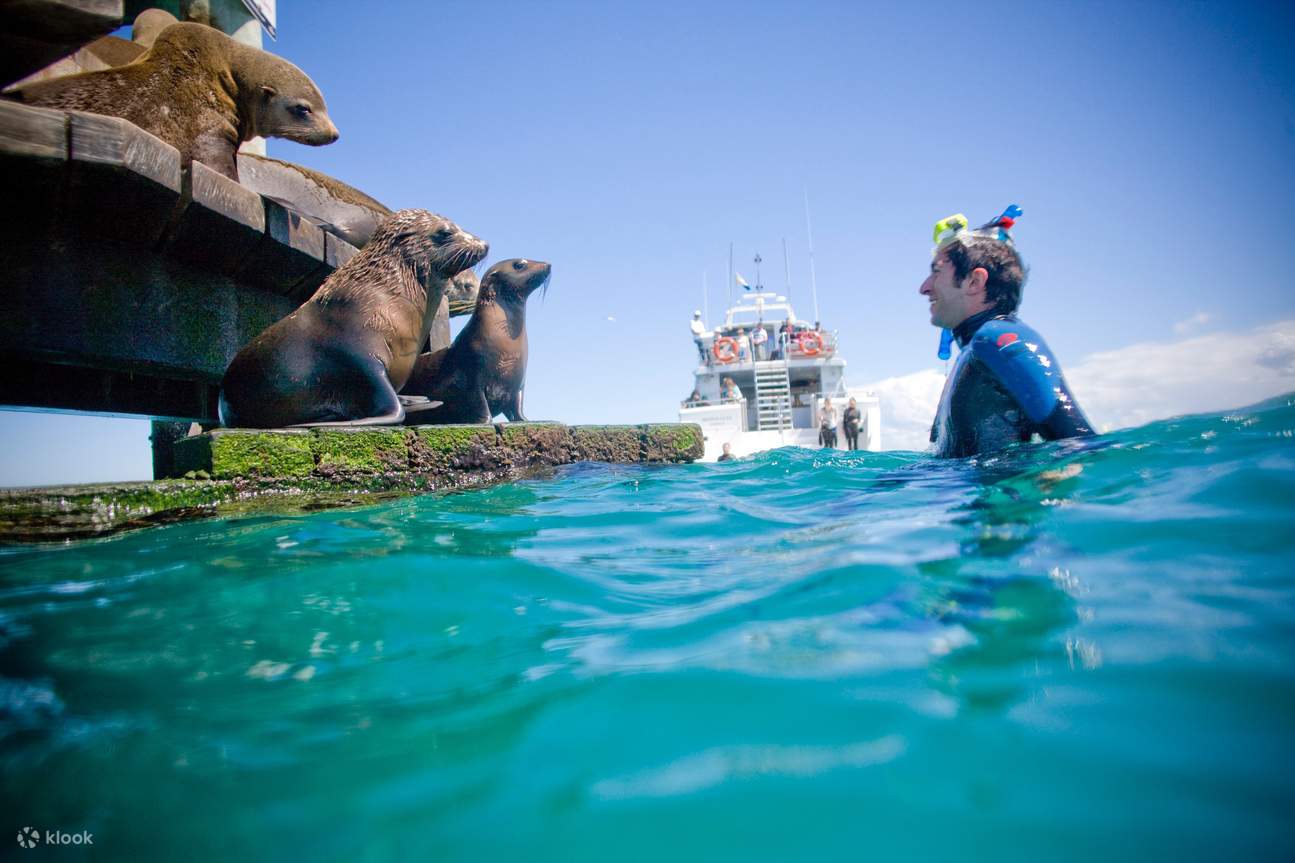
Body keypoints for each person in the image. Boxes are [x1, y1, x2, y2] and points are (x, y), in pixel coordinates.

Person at [921, 205, 1094, 458]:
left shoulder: (996, 340)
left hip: (997, 495)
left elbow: (1082, 447)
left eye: (936, 272)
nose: (924, 288)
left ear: (974, 282)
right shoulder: (976, 352)